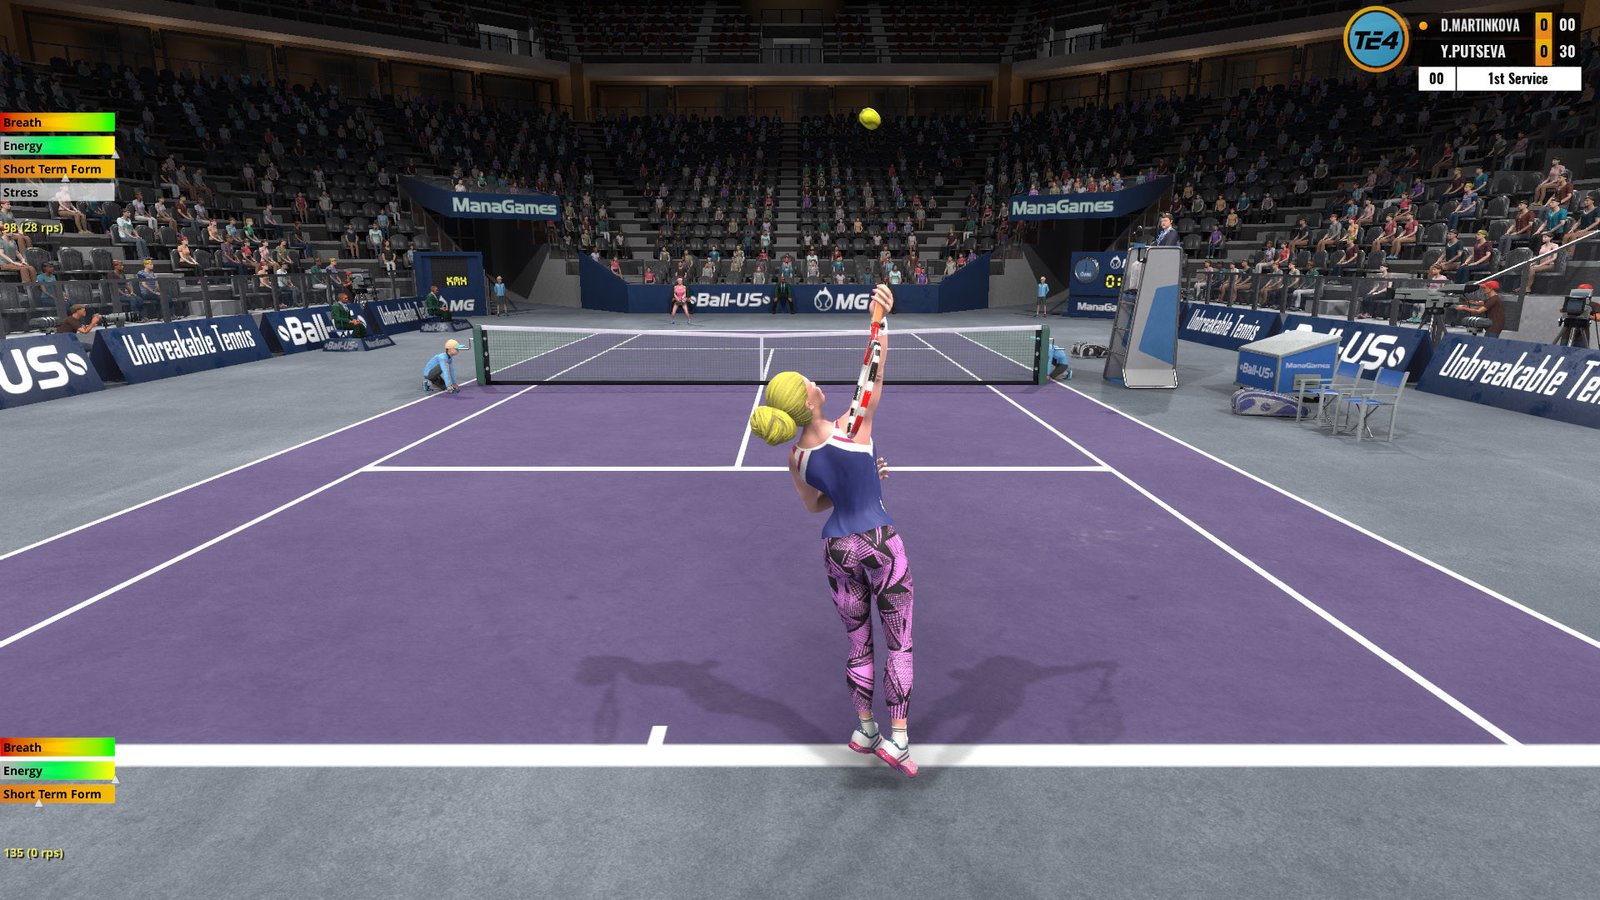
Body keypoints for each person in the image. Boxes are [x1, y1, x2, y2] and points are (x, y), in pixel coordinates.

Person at [746, 284, 917, 777]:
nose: (816, 381)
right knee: (899, 643)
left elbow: (815, 504)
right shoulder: (853, 424)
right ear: (808, 399)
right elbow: (874, 369)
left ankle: (865, 730)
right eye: (810, 382)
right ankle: (899, 740)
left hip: (836, 550)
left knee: (859, 643)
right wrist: (879, 319)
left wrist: (863, 478)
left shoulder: (795, 457)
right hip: (881, 545)